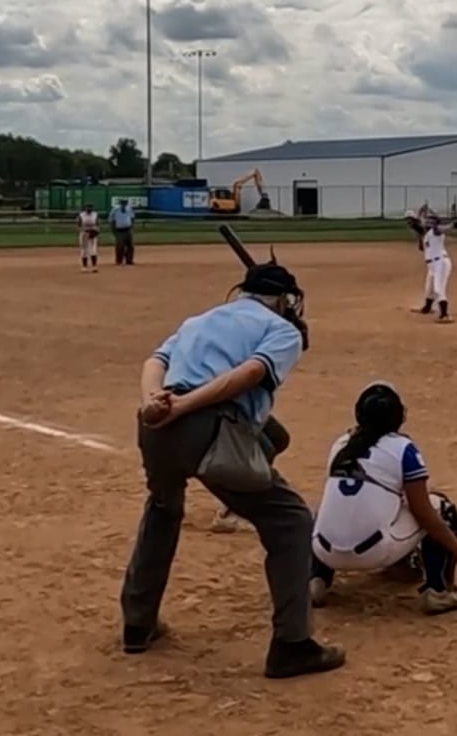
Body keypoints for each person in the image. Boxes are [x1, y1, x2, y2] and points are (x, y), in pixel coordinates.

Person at [119, 255, 345, 680]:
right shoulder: (281, 329)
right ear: (284, 299)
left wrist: (155, 403)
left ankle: (137, 623)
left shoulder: (201, 319)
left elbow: (155, 362)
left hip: (156, 427)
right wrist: (184, 406)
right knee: (291, 521)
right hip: (206, 428)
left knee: (164, 508)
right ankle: (292, 645)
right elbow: (250, 374)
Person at [309, 382, 457, 614]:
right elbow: (423, 512)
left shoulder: (341, 444)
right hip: (374, 551)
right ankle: (438, 590)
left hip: (324, 550)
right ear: (399, 417)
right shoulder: (402, 448)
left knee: (329, 509)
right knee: (441, 508)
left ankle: (315, 579)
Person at [407, 204, 457, 322]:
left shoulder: (436, 230)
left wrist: (453, 225)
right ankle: (427, 308)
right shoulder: (426, 235)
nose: (425, 222)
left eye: (428, 220)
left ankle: (445, 315)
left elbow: (444, 228)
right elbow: (422, 248)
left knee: (438, 289)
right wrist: (419, 234)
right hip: (432, 265)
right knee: (429, 289)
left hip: (440, 263)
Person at [112, 199, 137, 265]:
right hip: (119, 230)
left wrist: (132, 227)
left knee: (131, 246)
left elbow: (132, 218)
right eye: (122, 203)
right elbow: (112, 220)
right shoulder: (115, 210)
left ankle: (129, 260)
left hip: (128, 229)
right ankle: (119, 260)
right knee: (120, 246)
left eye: (125, 203)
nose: (124, 204)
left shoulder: (129, 209)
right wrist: (113, 230)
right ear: (120, 203)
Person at [78, 205, 100, 272]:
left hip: (93, 233)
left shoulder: (95, 214)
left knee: (93, 250)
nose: (89, 209)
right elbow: (79, 225)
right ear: (85, 208)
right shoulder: (81, 215)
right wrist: (85, 231)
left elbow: (97, 224)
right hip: (84, 233)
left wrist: (96, 231)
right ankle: (84, 267)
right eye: (88, 207)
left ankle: (94, 266)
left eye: (90, 207)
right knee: (84, 250)